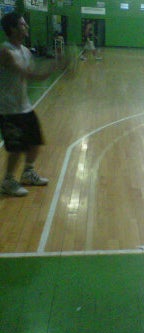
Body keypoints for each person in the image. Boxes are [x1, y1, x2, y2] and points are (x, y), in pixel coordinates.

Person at [0, 12, 67, 196]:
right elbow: (28, 75)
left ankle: (28, 173)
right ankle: (7, 181)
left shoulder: (26, 51)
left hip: (24, 106)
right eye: (22, 24)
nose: (26, 27)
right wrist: (56, 65)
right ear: (13, 29)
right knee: (17, 148)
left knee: (35, 141)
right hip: (9, 109)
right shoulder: (6, 51)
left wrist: (56, 66)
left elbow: (35, 75)